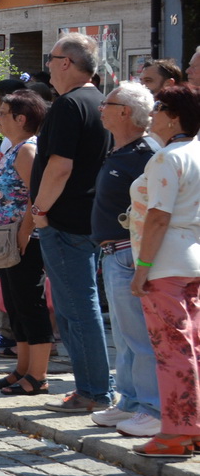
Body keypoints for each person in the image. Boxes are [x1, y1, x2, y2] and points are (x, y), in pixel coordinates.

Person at [30, 33, 114, 414]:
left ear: (67, 62)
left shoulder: (68, 105)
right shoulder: (100, 101)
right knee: (76, 307)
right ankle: (93, 387)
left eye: (52, 58)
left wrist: (39, 211)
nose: (47, 64)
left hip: (65, 222)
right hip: (88, 219)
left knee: (77, 309)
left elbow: (60, 167)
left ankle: (94, 391)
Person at [126, 84, 200, 457]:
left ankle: (176, 430)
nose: (152, 115)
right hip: (193, 260)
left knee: (171, 350)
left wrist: (143, 269)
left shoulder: (167, 158)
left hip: (166, 262)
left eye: (158, 108)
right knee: (193, 348)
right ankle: (192, 427)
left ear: (173, 117)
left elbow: (158, 217)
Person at [90, 82, 159, 436]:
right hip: (113, 252)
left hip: (129, 252)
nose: (101, 107)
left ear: (125, 112)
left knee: (139, 335)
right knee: (124, 334)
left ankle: (152, 407)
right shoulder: (120, 150)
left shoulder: (146, 153)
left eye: (108, 102)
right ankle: (130, 401)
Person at [0, 90, 53, 397]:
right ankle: (23, 368)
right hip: (7, 241)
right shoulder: (14, 149)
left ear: (21, 118)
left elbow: (36, 195)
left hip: (24, 240)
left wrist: (24, 232)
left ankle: (38, 375)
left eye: (2, 113)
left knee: (30, 304)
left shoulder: (28, 150)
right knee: (15, 305)